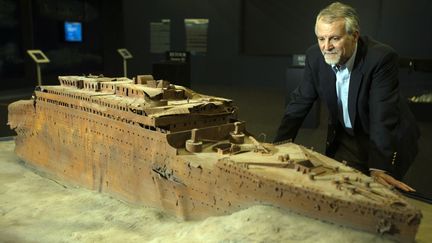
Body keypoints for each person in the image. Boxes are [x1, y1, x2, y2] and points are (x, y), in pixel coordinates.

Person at [274, 2, 420, 192]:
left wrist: (378, 168)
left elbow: (382, 116)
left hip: (387, 137)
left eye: (334, 38)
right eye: (321, 38)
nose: (326, 47)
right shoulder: (315, 57)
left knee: (378, 192)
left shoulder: (381, 58)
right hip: (347, 135)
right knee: (341, 188)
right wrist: (278, 146)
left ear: (354, 36)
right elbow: (300, 102)